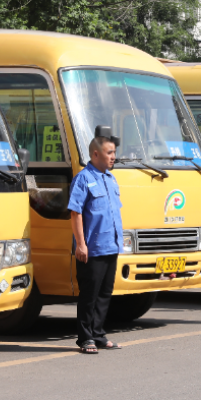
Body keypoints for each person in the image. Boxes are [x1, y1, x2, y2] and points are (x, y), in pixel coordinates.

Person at [68, 136, 123, 353]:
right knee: (89, 295)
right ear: (95, 154)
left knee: (104, 294)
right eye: (109, 153)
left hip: (111, 246)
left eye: (114, 152)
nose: (113, 157)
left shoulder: (110, 179)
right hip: (92, 249)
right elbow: (75, 212)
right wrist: (81, 244)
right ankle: (85, 338)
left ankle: (98, 334)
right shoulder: (83, 179)